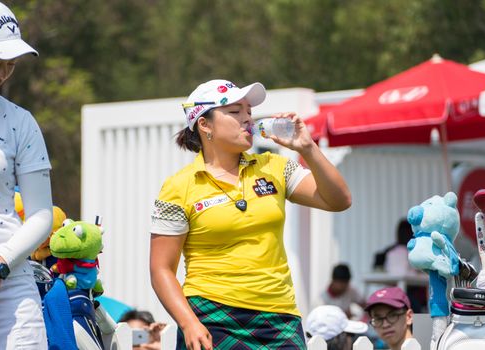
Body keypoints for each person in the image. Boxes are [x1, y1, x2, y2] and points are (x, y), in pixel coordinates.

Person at [149, 79, 351, 350]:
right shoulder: (177, 187)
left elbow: (339, 200)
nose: (247, 118)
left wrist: (308, 149)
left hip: (280, 315)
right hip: (211, 315)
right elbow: (161, 269)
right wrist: (189, 323)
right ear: (204, 124)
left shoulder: (275, 167)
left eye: (248, 111)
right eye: (235, 112)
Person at [0, 1, 53, 349]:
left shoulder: (20, 121)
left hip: (10, 285)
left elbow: (41, 214)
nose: (3, 74)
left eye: (11, 65)